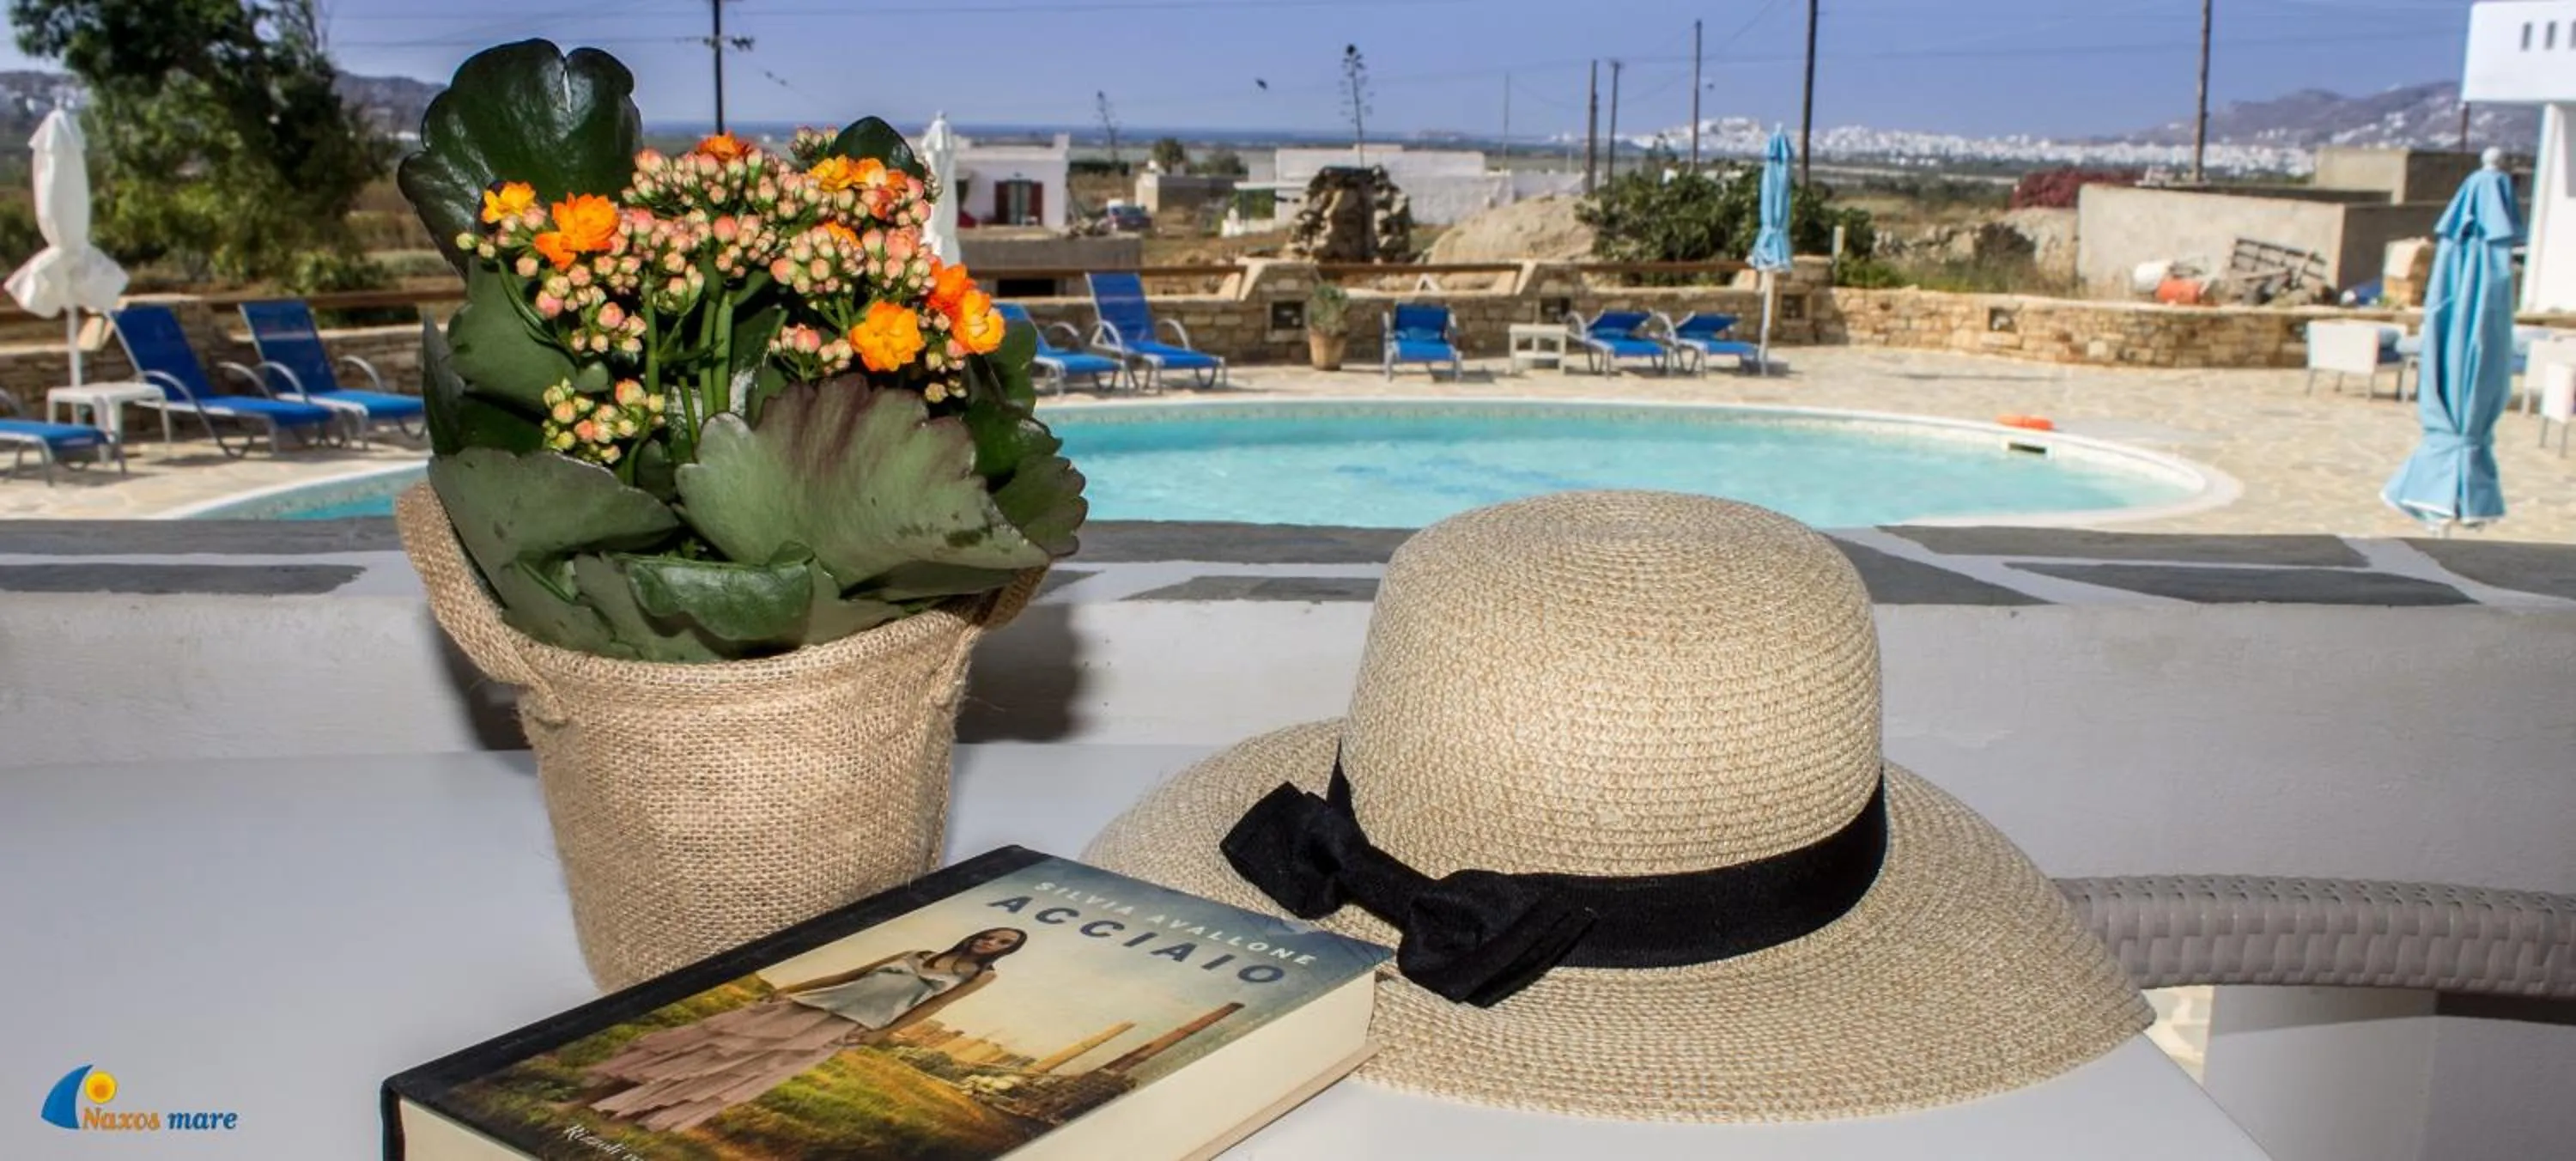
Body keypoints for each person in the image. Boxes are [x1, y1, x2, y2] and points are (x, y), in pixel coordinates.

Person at [580, 927, 1028, 1133]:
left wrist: (879, 1035)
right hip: (812, 1003)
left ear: (1004, 953)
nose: (992, 943)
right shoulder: (920, 951)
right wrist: (793, 987)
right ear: (978, 934)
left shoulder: (978, 977)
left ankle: (641, 1109)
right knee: (717, 1044)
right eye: (992, 935)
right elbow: (847, 975)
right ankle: (613, 1088)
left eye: (1003, 944)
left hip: (850, 1024)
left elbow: (935, 1004)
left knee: (751, 1066)